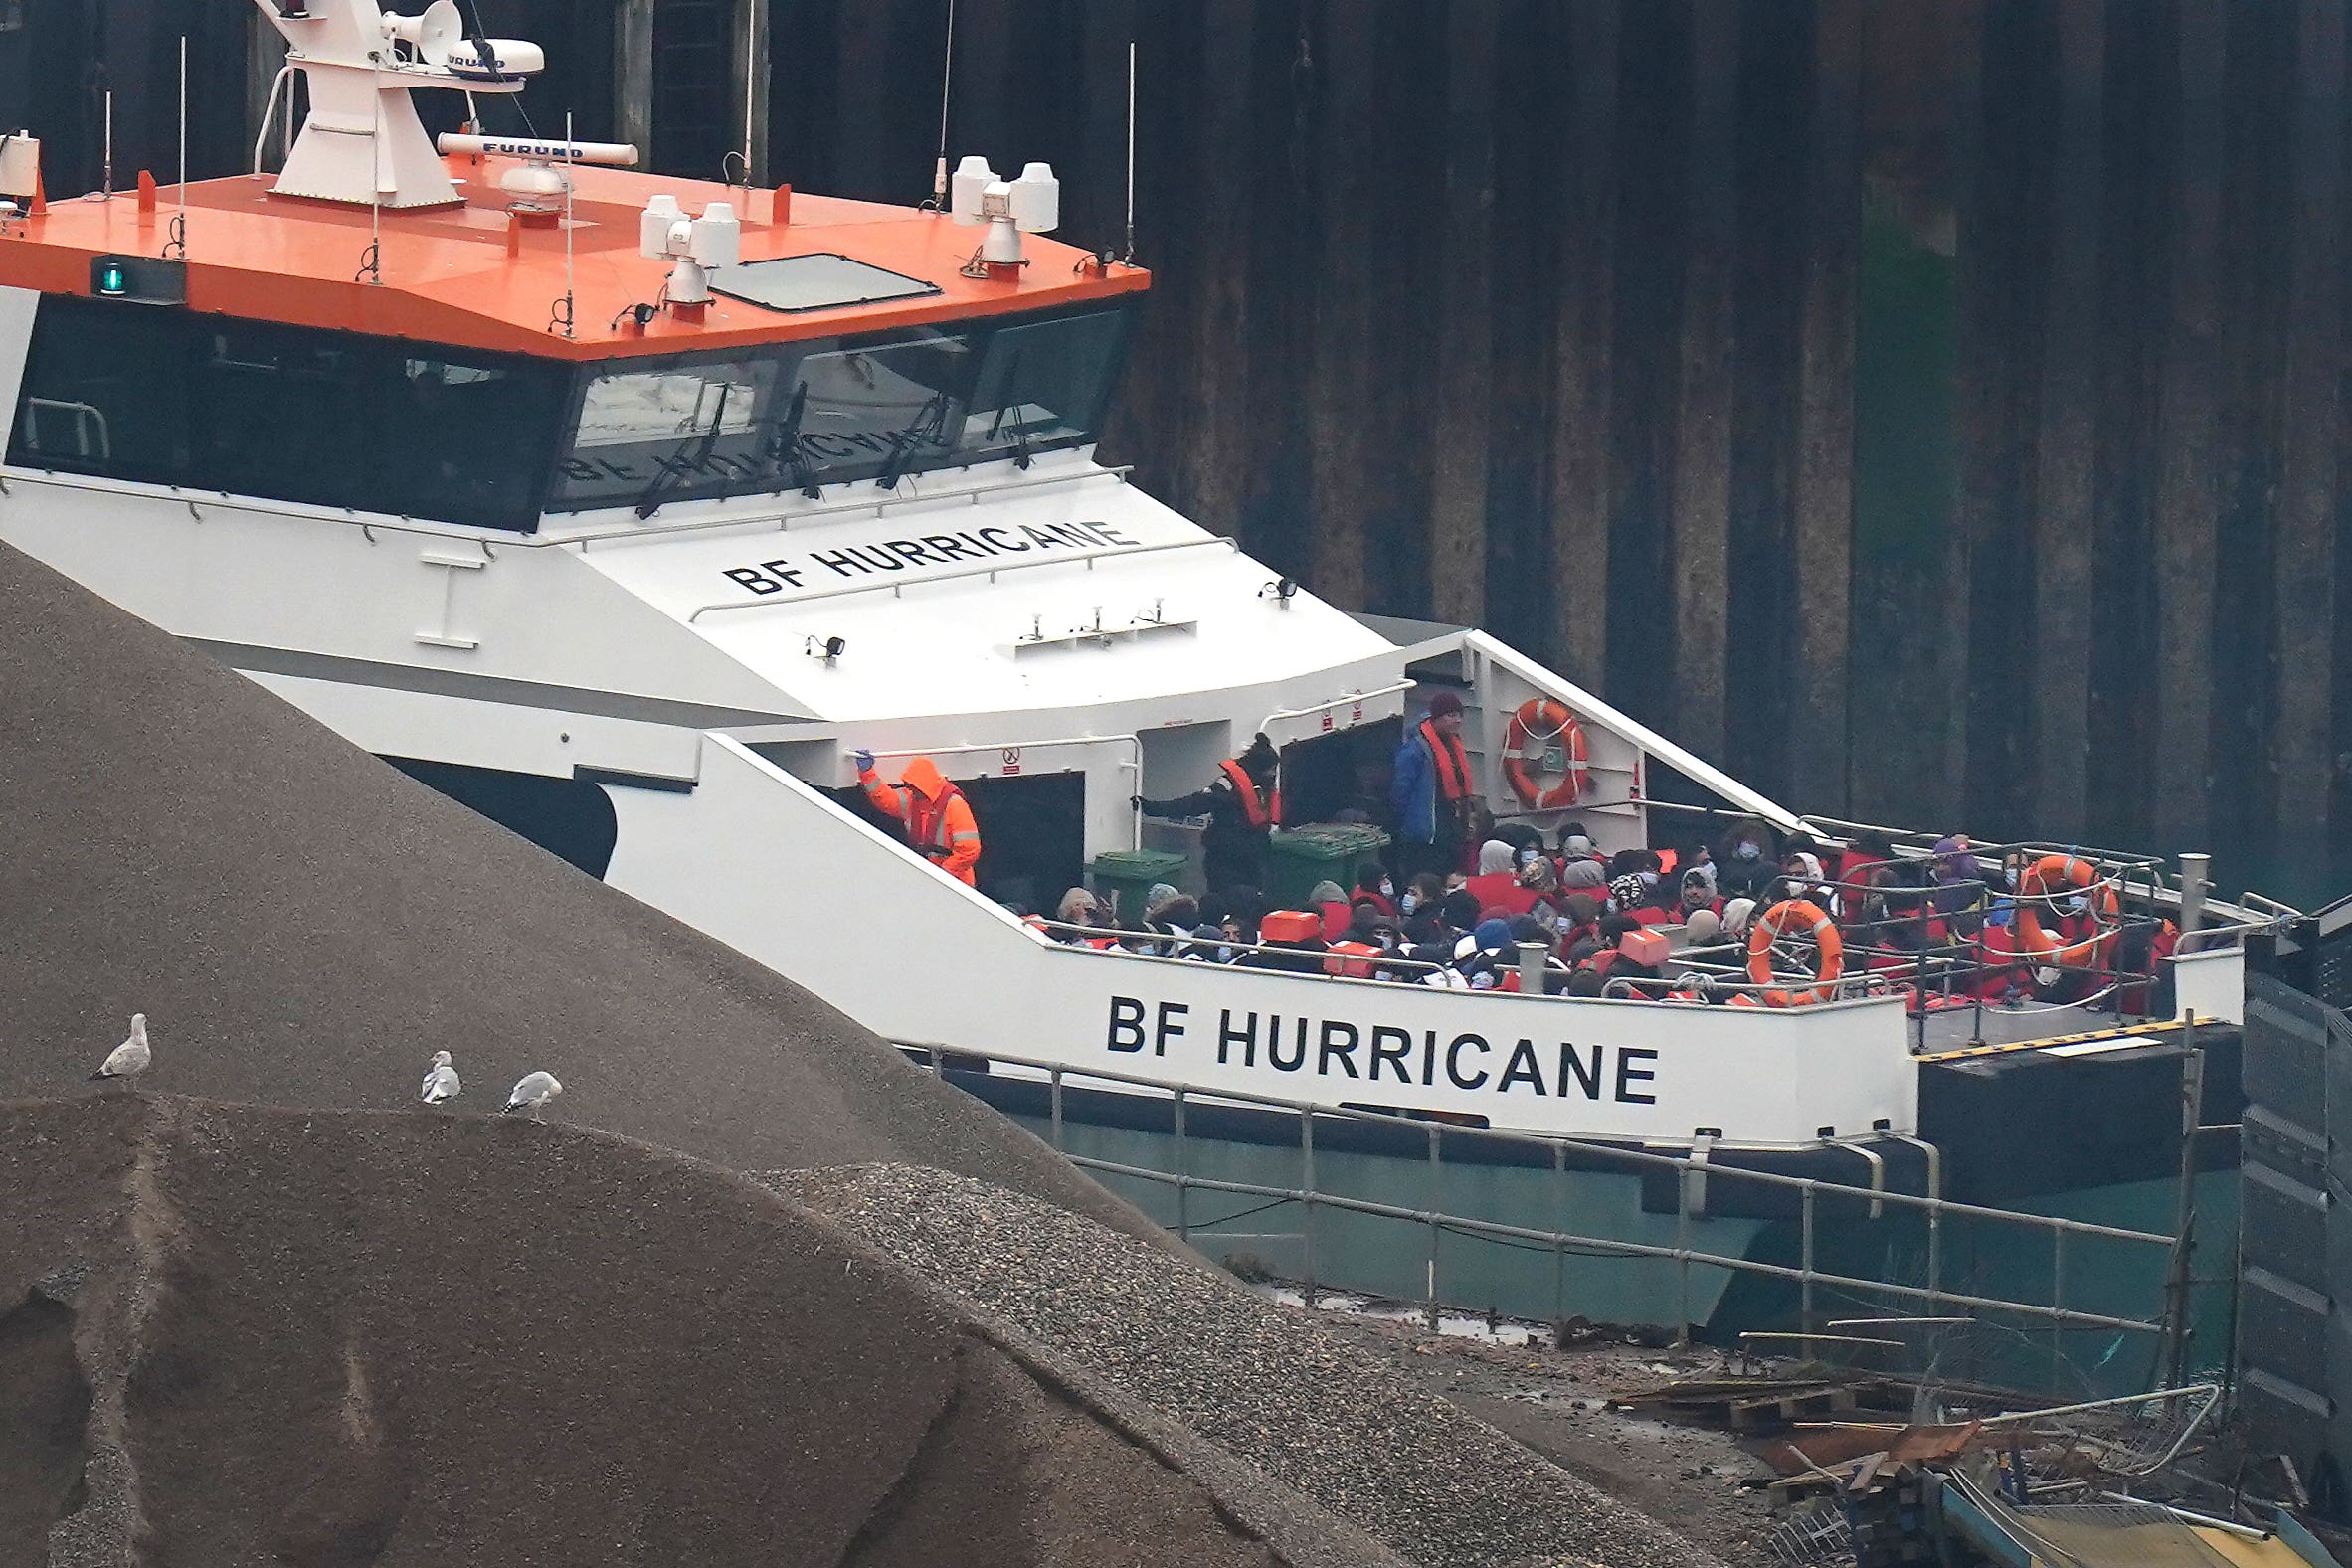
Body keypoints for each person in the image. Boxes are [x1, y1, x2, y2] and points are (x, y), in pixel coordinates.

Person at [1139, 732, 1283, 893]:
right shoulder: (1240, 787)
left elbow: (1195, 804)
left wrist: (1153, 809)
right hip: (1244, 857)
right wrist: (1154, 808)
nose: (1273, 774)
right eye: (1271, 770)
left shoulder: (1233, 786)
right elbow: (1194, 804)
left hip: (1234, 857)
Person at [855, 750, 981, 886]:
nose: (911, 791)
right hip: (927, 877)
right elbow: (884, 799)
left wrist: (944, 873)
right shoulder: (911, 799)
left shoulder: (954, 805)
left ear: (923, 785)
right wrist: (867, 772)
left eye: (914, 787)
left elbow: (969, 849)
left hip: (956, 883)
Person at [1390, 691, 1477, 882]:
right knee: (1426, 875)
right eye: (1451, 715)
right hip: (1426, 830)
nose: (1458, 720)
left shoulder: (1454, 744)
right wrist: (1406, 821)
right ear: (1436, 718)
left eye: (1459, 715)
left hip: (1450, 824)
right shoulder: (1415, 749)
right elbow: (1401, 788)